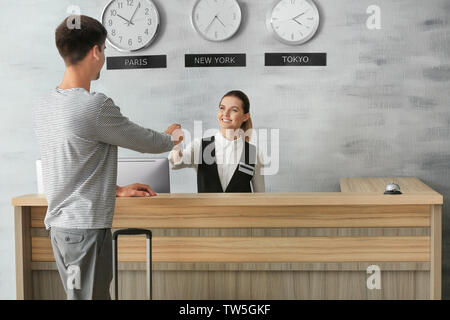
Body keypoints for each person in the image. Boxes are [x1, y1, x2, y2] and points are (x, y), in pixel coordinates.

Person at [33, 15, 183, 300]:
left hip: (64, 230)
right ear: (95, 51)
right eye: (104, 49)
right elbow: (143, 140)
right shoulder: (94, 106)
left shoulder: (44, 105)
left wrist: (116, 190)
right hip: (84, 233)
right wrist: (171, 138)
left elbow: (71, 166)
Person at [169, 90, 265, 192]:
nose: (226, 114)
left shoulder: (254, 153)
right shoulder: (199, 146)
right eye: (222, 108)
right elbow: (175, 164)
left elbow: (260, 194)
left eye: (234, 110)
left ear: (245, 116)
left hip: (241, 208)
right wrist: (176, 143)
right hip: (206, 208)